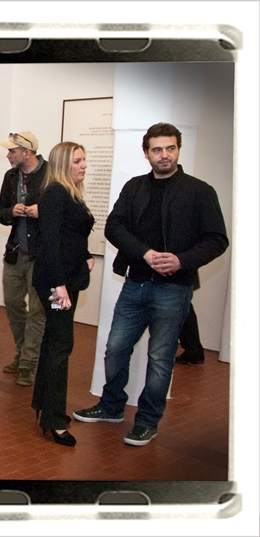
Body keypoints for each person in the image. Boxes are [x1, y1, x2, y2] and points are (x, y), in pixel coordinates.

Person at [73, 123, 228, 446]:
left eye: (170, 148)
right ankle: (111, 407)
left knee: (160, 359)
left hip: (175, 288)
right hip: (136, 283)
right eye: (157, 149)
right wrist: (144, 252)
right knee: (115, 349)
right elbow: (114, 227)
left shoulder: (200, 191)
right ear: (146, 153)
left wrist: (181, 260)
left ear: (178, 150)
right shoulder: (134, 187)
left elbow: (217, 239)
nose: (164, 155)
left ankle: (146, 421)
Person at [30, 142, 95, 447]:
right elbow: (50, 243)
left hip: (66, 279)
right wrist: (59, 286)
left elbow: (71, 236)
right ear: (63, 164)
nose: (84, 165)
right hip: (56, 284)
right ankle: (54, 420)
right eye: (77, 161)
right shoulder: (56, 192)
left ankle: (46, 409)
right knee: (61, 345)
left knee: (53, 342)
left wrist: (85, 256)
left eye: (84, 160)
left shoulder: (69, 192)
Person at [0, 131, 48, 387]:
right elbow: (0, 213)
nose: (8, 155)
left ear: (26, 152)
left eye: (12, 151)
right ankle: (22, 351)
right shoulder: (11, 177)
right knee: (13, 303)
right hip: (15, 253)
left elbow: (66, 211)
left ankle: (28, 363)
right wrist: (12, 211)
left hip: (40, 255)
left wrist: (42, 211)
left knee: (37, 310)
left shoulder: (51, 174)